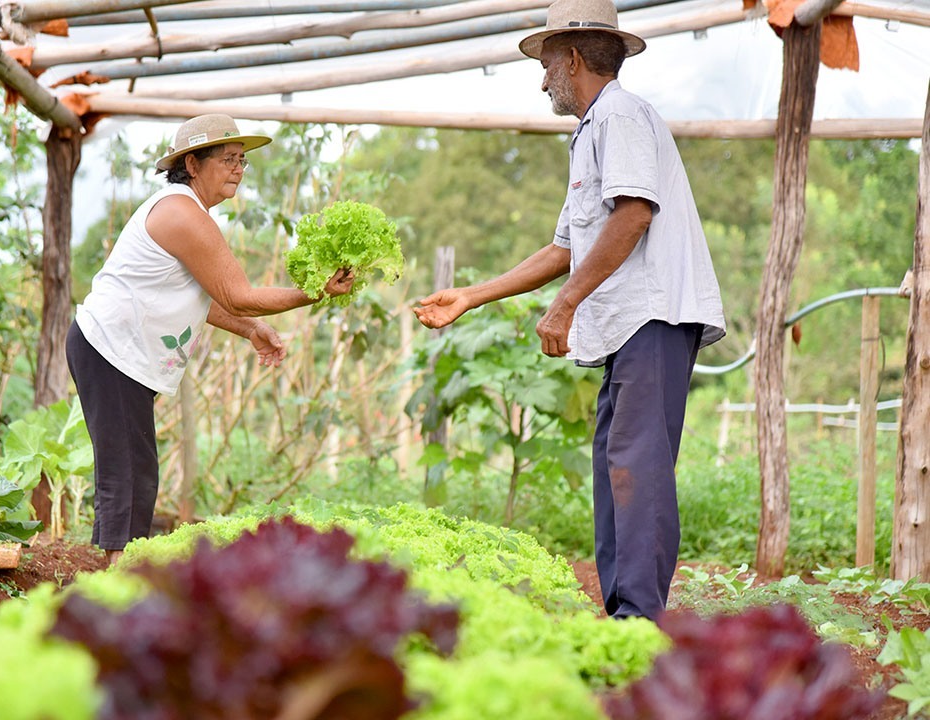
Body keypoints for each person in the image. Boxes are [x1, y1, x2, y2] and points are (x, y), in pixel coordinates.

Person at [414, 0, 725, 621]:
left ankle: (637, 619)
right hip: (630, 323)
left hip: (654, 315)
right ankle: (622, 613)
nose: (542, 79)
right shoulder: (592, 131)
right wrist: (473, 296)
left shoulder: (622, 117)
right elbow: (565, 246)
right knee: (617, 462)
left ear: (576, 58)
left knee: (637, 467)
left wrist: (565, 306)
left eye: (548, 62)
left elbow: (634, 214)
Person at [67, 114, 354, 565]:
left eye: (242, 160)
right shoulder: (182, 213)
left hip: (117, 351)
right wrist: (315, 290)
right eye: (227, 159)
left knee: (136, 469)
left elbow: (208, 296)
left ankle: (121, 573)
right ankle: (117, 576)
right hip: (111, 349)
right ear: (193, 165)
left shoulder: (187, 211)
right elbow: (238, 295)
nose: (238, 168)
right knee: (127, 471)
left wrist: (252, 328)